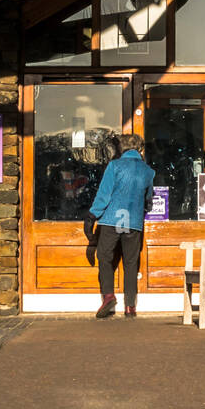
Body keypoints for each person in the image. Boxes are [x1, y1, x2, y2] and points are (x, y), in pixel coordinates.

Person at [84, 133, 155, 319]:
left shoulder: (114, 166)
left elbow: (104, 194)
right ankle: (130, 306)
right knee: (131, 263)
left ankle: (108, 296)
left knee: (105, 257)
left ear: (122, 149)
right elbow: (149, 200)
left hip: (111, 220)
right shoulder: (148, 171)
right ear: (140, 149)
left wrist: (92, 215)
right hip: (133, 223)